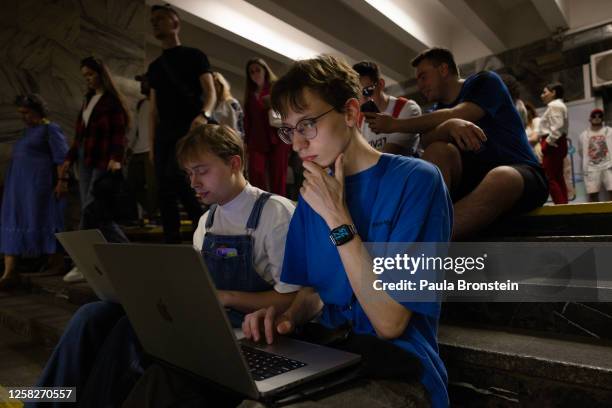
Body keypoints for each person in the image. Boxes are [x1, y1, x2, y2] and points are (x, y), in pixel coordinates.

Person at [238, 55, 453, 407]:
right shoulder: (312, 195)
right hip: (332, 353)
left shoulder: (417, 181)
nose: (296, 144)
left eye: (307, 124)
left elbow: (390, 322)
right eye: (289, 130)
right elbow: (314, 292)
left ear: (351, 113)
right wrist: (287, 318)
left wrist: (339, 221)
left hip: (399, 370)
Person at [32, 124, 299, 407]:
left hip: (242, 331)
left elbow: (292, 297)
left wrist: (226, 298)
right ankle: (42, 401)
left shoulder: (275, 214)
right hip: (205, 321)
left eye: (201, 170)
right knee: (93, 315)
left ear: (234, 163)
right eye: (189, 173)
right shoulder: (206, 223)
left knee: (128, 332)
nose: (193, 182)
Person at [365, 47, 548, 239]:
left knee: (501, 177)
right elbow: (427, 140)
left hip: (521, 175)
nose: (420, 85)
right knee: (437, 151)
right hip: (471, 185)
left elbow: (462, 112)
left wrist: (395, 124)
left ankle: (422, 242)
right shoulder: (435, 111)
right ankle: (424, 235)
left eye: (423, 77)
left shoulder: (485, 82)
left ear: (443, 69)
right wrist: (448, 127)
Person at [146, 3, 215, 243]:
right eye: (152, 19)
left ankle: (204, 229)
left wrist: (203, 114)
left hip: (189, 131)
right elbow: (153, 110)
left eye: (160, 18)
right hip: (165, 135)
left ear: (175, 23)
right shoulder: (154, 68)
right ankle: (171, 239)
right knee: (163, 188)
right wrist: (152, 145)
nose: (154, 22)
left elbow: (210, 91)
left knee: (177, 178)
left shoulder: (194, 56)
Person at [59, 56, 130, 283]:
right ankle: (130, 252)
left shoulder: (111, 101)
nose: (88, 79)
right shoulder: (88, 99)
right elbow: (80, 134)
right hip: (85, 158)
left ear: (100, 73)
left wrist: (116, 157)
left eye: (90, 74)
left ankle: (82, 264)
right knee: (97, 215)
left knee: (90, 210)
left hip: (104, 159)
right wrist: (69, 159)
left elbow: (119, 131)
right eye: (85, 76)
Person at [0, 95, 68, 290]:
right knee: (13, 220)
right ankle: (9, 272)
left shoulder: (50, 129)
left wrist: (62, 181)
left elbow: (61, 158)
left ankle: (57, 263)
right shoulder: (27, 132)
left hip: (39, 186)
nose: (23, 117)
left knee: (45, 219)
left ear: (37, 110)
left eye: (26, 112)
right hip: (18, 186)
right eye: (20, 113)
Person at [244, 58, 292, 196]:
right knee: (256, 172)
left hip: (277, 137)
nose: (255, 74)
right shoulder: (250, 94)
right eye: (251, 72)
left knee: (278, 175)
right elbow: (248, 121)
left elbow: (287, 110)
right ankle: (260, 203)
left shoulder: (275, 88)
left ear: (265, 70)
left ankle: (280, 206)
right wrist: (246, 142)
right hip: (257, 140)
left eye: (258, 70)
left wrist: (271, 102)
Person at [352, 61, 422, 156]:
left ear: (381, 84)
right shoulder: (358, 121)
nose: (364, 100)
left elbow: (387, 155)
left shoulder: (406, 108)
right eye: (357, 95)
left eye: (367, 91)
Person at [125, 74, 158, 225]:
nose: (141, 85)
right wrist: (129, 147)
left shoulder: (159, 103)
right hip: (138, 150)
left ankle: (153, 215)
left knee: (153, 187)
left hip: (152, 151)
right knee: (131, 184)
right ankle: (150, 212)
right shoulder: (142, 103)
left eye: (144, 82)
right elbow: (135, 128)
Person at [539, 82, 568, 204]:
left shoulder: (554, 106)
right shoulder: (559, 105)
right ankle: (564, 205)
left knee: (549, 177)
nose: (542, 95)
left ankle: (560, 206)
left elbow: (557, 127)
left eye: (545, 92)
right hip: (558, 143)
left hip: (553, 143)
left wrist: (547, 144)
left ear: (554, 92)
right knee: (558, 176)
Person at [578, 108, 612, 202]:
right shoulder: (583, 135)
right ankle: (596, 216)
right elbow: (581, 152)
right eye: (594, 116)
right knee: (593, 194)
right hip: (591, 168)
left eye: (599, 116)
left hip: (608, 166)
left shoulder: (610, 131)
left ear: (603, 118)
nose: (597, 118)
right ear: (590, 119)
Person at [212, 71, 245, 138]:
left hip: (231, 140)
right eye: (212, 85)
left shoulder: (231, 102)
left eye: (216, 84)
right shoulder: (212, 105)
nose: (214, 88)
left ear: (222, 85)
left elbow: (238, 126)